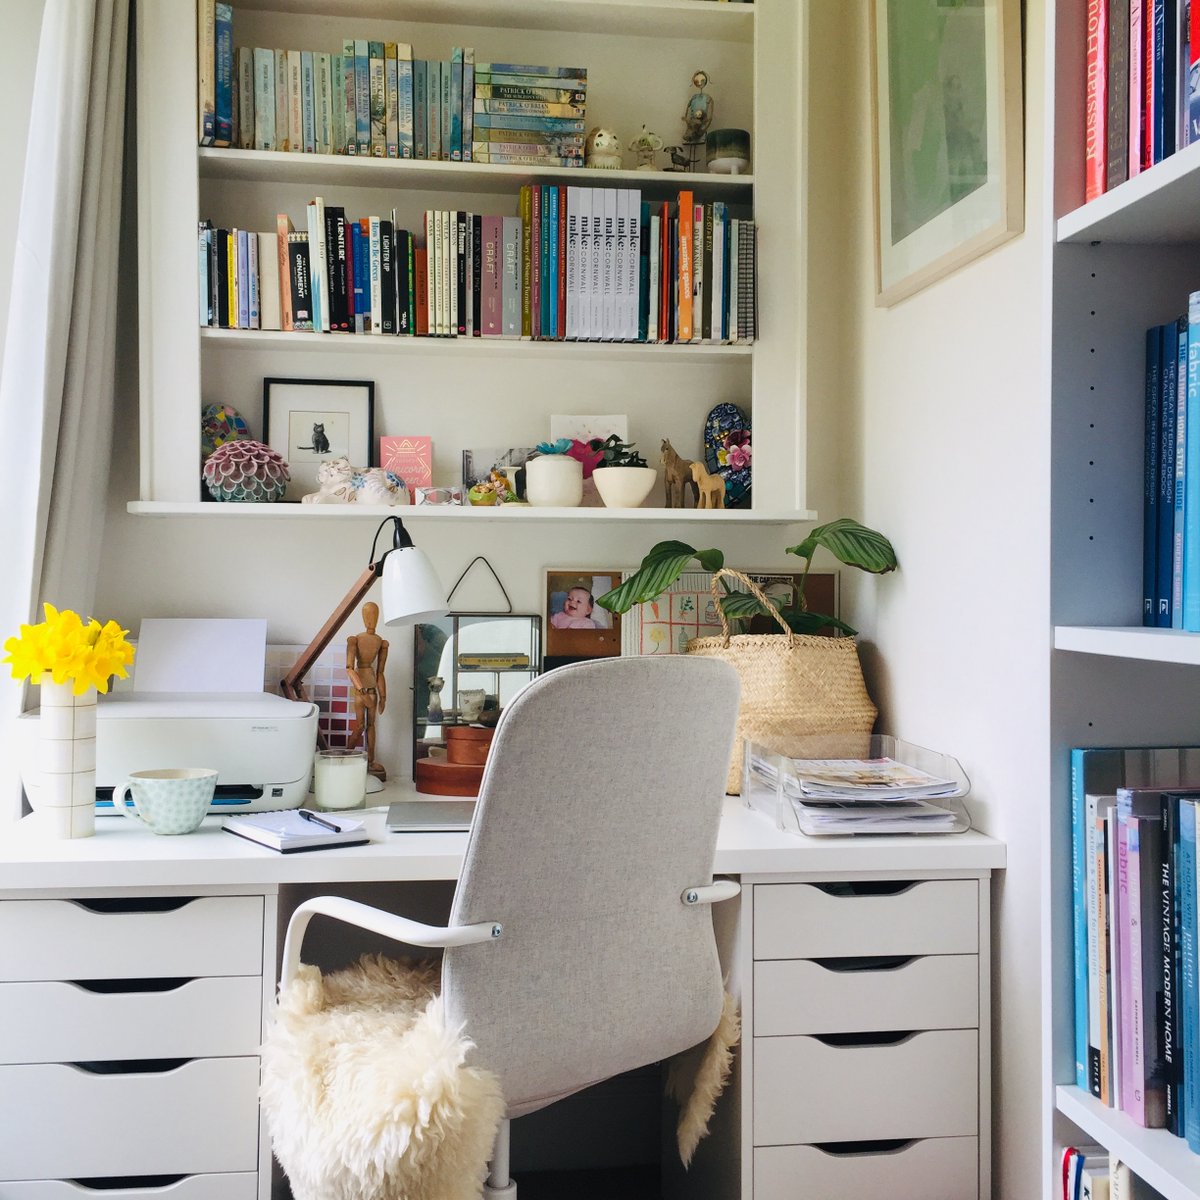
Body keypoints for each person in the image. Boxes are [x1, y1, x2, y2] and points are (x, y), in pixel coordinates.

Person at [346, 601, 388, 780]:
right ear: (363, 617)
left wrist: (383, 695)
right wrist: (361, 690)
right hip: (361, 691)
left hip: (372, 689)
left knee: (372, 726)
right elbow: (349, 667)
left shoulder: (381, 642)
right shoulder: (355, 639)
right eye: (368, 615)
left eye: (374, 615)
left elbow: (380, 671)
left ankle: (370, 761)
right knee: (361, 725)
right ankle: (347, 756)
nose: (371, 620)